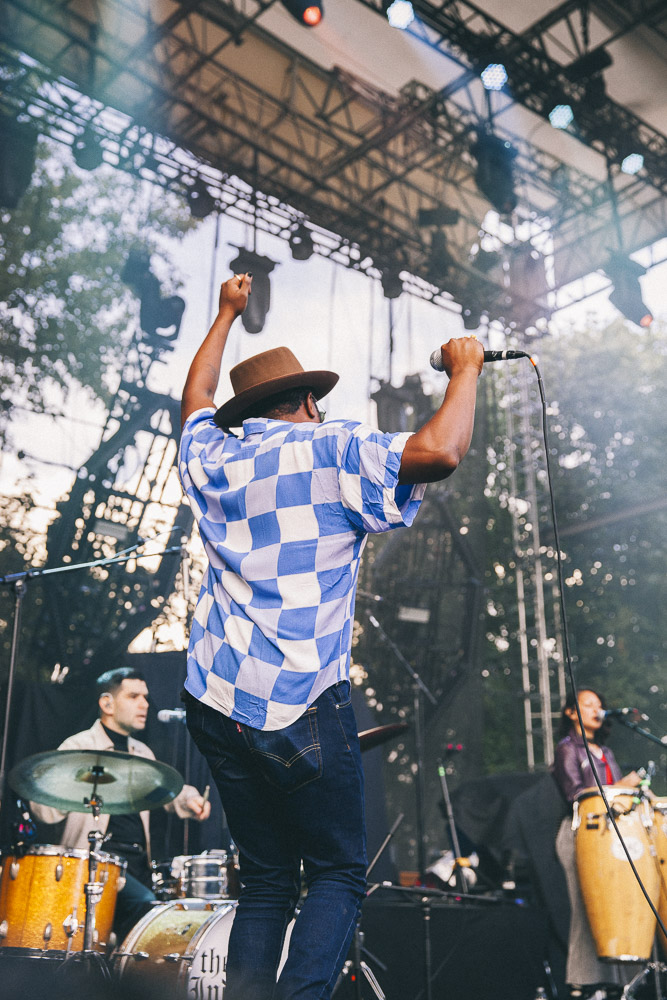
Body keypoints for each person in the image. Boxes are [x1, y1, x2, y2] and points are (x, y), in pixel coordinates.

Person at [178, 271, 484, 1000]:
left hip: (214, 697)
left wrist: (223, 316)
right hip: (299, 701)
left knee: (266, 879)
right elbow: (440, 452)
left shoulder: (211, 456)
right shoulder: (329, 448)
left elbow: (195, 396)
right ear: (308, 402)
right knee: (338, 874)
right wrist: (466, 369)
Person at [31, 667, 211, 941]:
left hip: (139, 864)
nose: (144, 704)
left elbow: (166, 790)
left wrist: (191, 799)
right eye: (133, 696)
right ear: (107, 704)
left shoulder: (142, 753)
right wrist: (73, 786)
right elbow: (44, 809)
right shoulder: (78, 747)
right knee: (146, 907)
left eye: (145, 697)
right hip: (96, 864)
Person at [553, 688, 642, 1000]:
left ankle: (620, 982)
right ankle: (584, 982)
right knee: (586, 907)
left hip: (611, 834)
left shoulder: (605, 751)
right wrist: (619, 786)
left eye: (599, 705)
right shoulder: (567, 749)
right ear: (570, 712)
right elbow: (575, 794)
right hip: (581, 832)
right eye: (587, 704)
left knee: (616, 906)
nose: (596, 709)